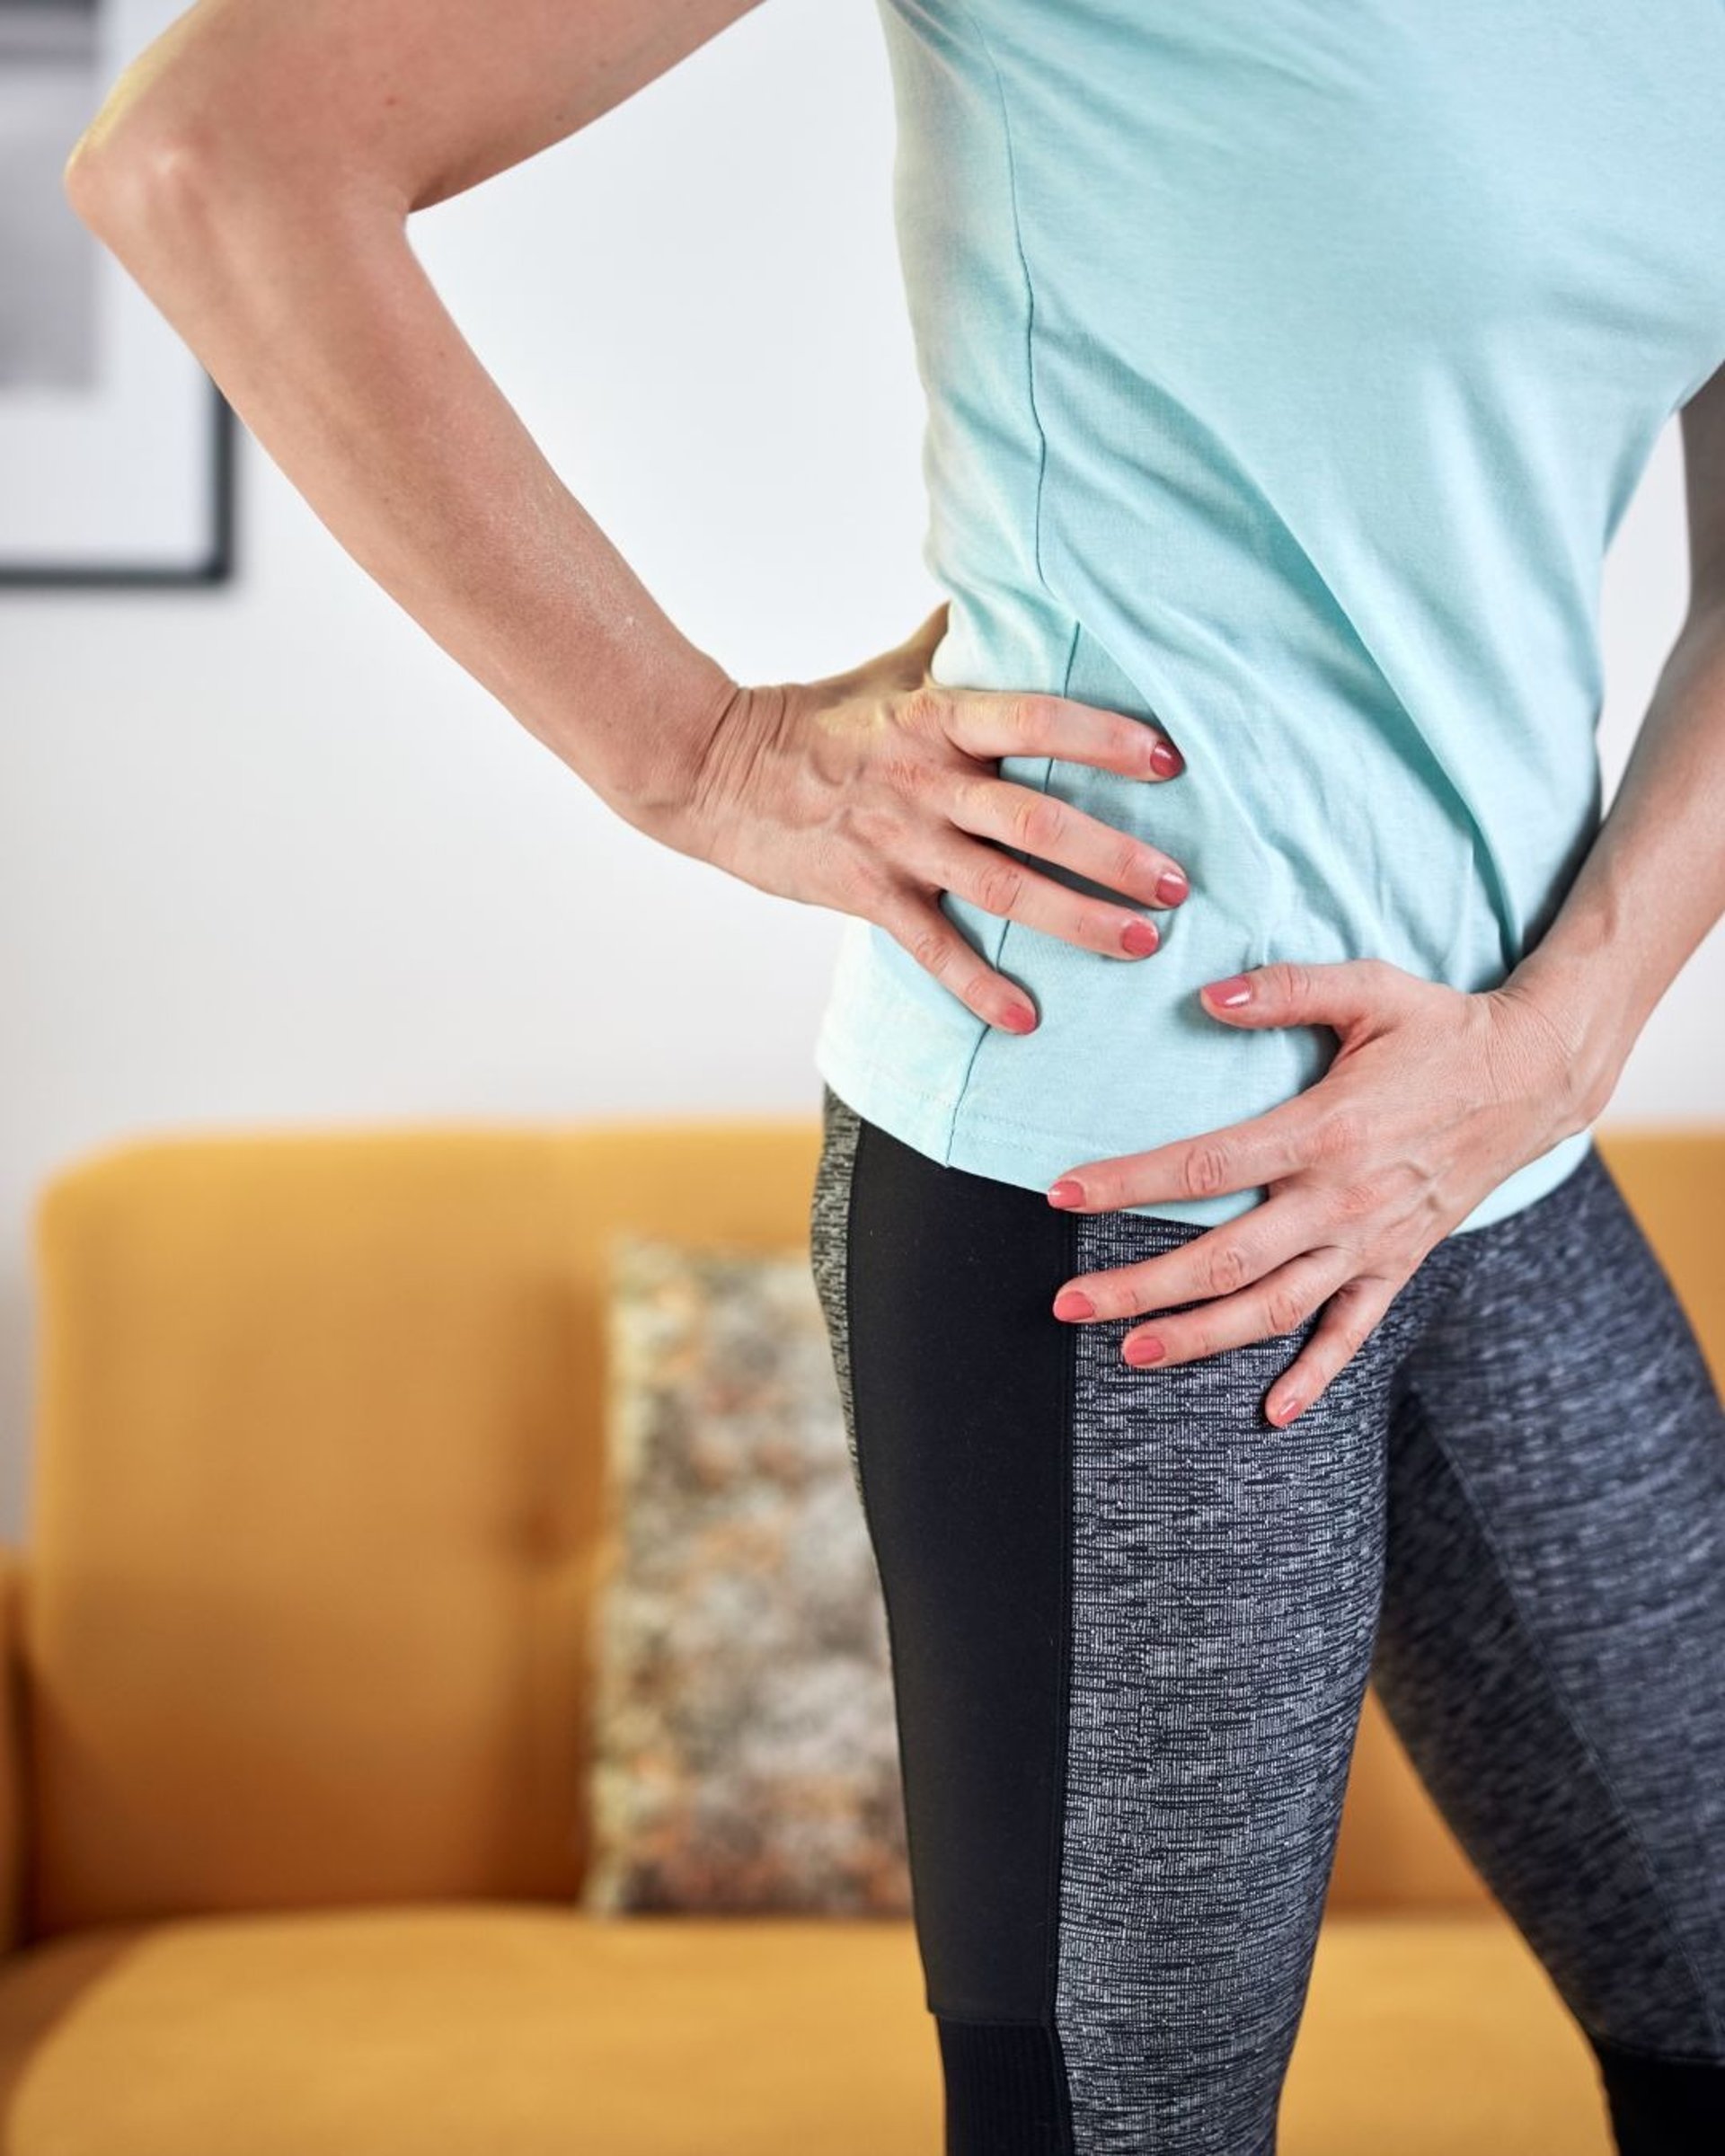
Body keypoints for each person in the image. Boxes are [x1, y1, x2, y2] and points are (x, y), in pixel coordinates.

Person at [65, 2, 1725, 2151]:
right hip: (1121, 1164)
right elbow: (207, 156)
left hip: (1495, 1137)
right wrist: (693, 753)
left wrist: (1571, 1025)